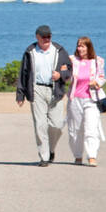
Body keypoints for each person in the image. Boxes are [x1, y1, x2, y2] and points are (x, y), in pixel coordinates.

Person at [15, 25, 72, 167]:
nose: (47, 39)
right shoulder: (30, 51)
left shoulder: (59, 50)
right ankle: (44, 156)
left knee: (57, 125)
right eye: (44, 37)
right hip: (37, 89)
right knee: (40, 125)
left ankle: (51, 149)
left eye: (49, 36)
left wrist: (61, 75)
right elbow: (24, 72)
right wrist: (20, 94)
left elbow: (69, 69)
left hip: (55, 90)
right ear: (37, 37)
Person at [66, 36, 106, 166]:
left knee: (91, 128)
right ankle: (78, 155)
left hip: (91, 99)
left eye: (83, 46)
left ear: (89, 47)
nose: (80, 48)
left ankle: (92, 156)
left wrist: (97, 82)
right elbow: (66, 76)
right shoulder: (72, 60)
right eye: (78, 45)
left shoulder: (97, 61)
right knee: (75, 129)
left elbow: (102, 76)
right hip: (75, 99)